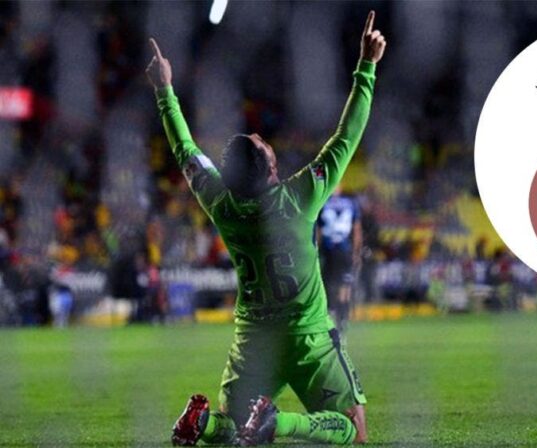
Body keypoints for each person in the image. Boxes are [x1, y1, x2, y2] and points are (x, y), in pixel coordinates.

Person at [145, 11, 385, 446]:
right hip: (308, 338)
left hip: (252, 340)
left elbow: (185, 150)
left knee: (232, 426)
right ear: (271, 166)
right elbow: (346, 137)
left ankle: (202, 424)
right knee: (354, 429)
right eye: (260, 143)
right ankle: (282, 423)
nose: (259, 136)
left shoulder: (220, 203)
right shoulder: (300, 197)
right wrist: (366, 67)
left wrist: (165, 92)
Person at [317, 186, 362, 332]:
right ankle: (342, 321)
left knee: (329, 286)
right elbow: (356, 230)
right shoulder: (351, 203)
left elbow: (318, 231)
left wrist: (316, 251)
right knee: (343, 288)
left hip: (329, 251)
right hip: (343, 251)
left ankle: (332, 320)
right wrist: (356, 252)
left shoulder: (323, 202)